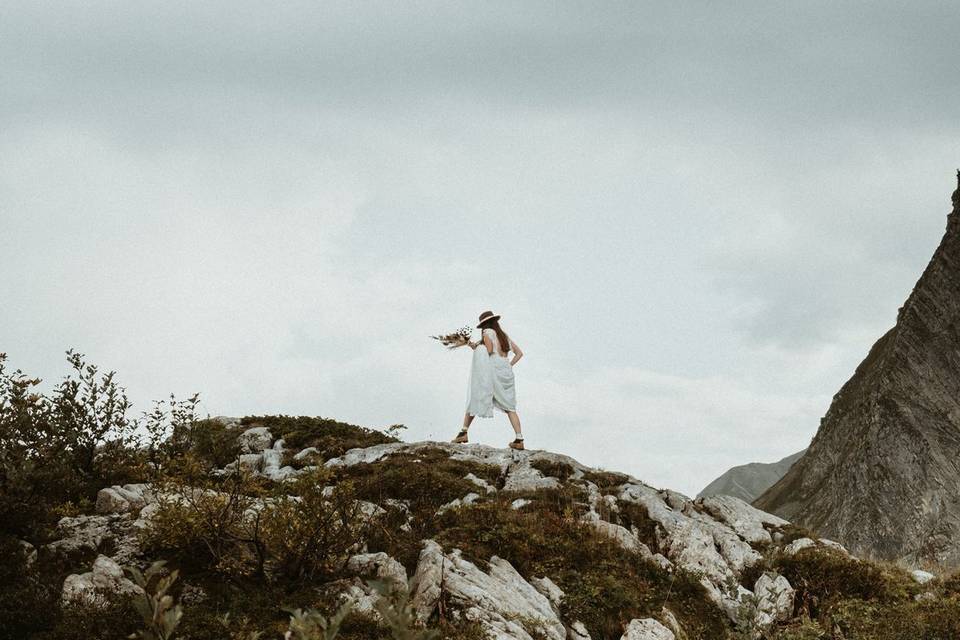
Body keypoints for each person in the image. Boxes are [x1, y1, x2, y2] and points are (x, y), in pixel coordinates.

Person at [452, 310, 525, 450]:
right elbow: (519, 353)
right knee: (510, 407)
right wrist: (509, 365)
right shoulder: (504, 336)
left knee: (476, 395)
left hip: (492, 369)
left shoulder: (487, 333)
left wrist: (476, 346)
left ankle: (463, 432)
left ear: (485, 324)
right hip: (505, 370)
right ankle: (519, 438)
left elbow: (489, 350)